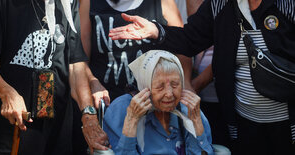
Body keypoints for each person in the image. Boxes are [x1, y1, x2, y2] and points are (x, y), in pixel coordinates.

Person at [108, 0, 295, 154]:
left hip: (289, 124)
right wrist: (156, 31)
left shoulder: (287, 5)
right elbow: (190, 38)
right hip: (244, 122)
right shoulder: (220, 5)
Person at [0, 0, 108, 154]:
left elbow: (76, 65)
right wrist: (7, 93)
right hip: (12, 129)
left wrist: (89, 116)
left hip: (58, 129)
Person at [79, 0, 193, 108]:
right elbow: (81, 57)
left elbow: (181, 47)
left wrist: (186, 83)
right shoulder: (89, 2)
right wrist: (91, 81)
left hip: (155, 103)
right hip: (107, 102)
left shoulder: (162, 2)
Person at [103, 50, 214, 155]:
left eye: (175, 84)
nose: (169, 94)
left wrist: (195, 123)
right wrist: (132, 120)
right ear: (144, 86)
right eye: (160, 87)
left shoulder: (189, 107)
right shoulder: (121, 109)